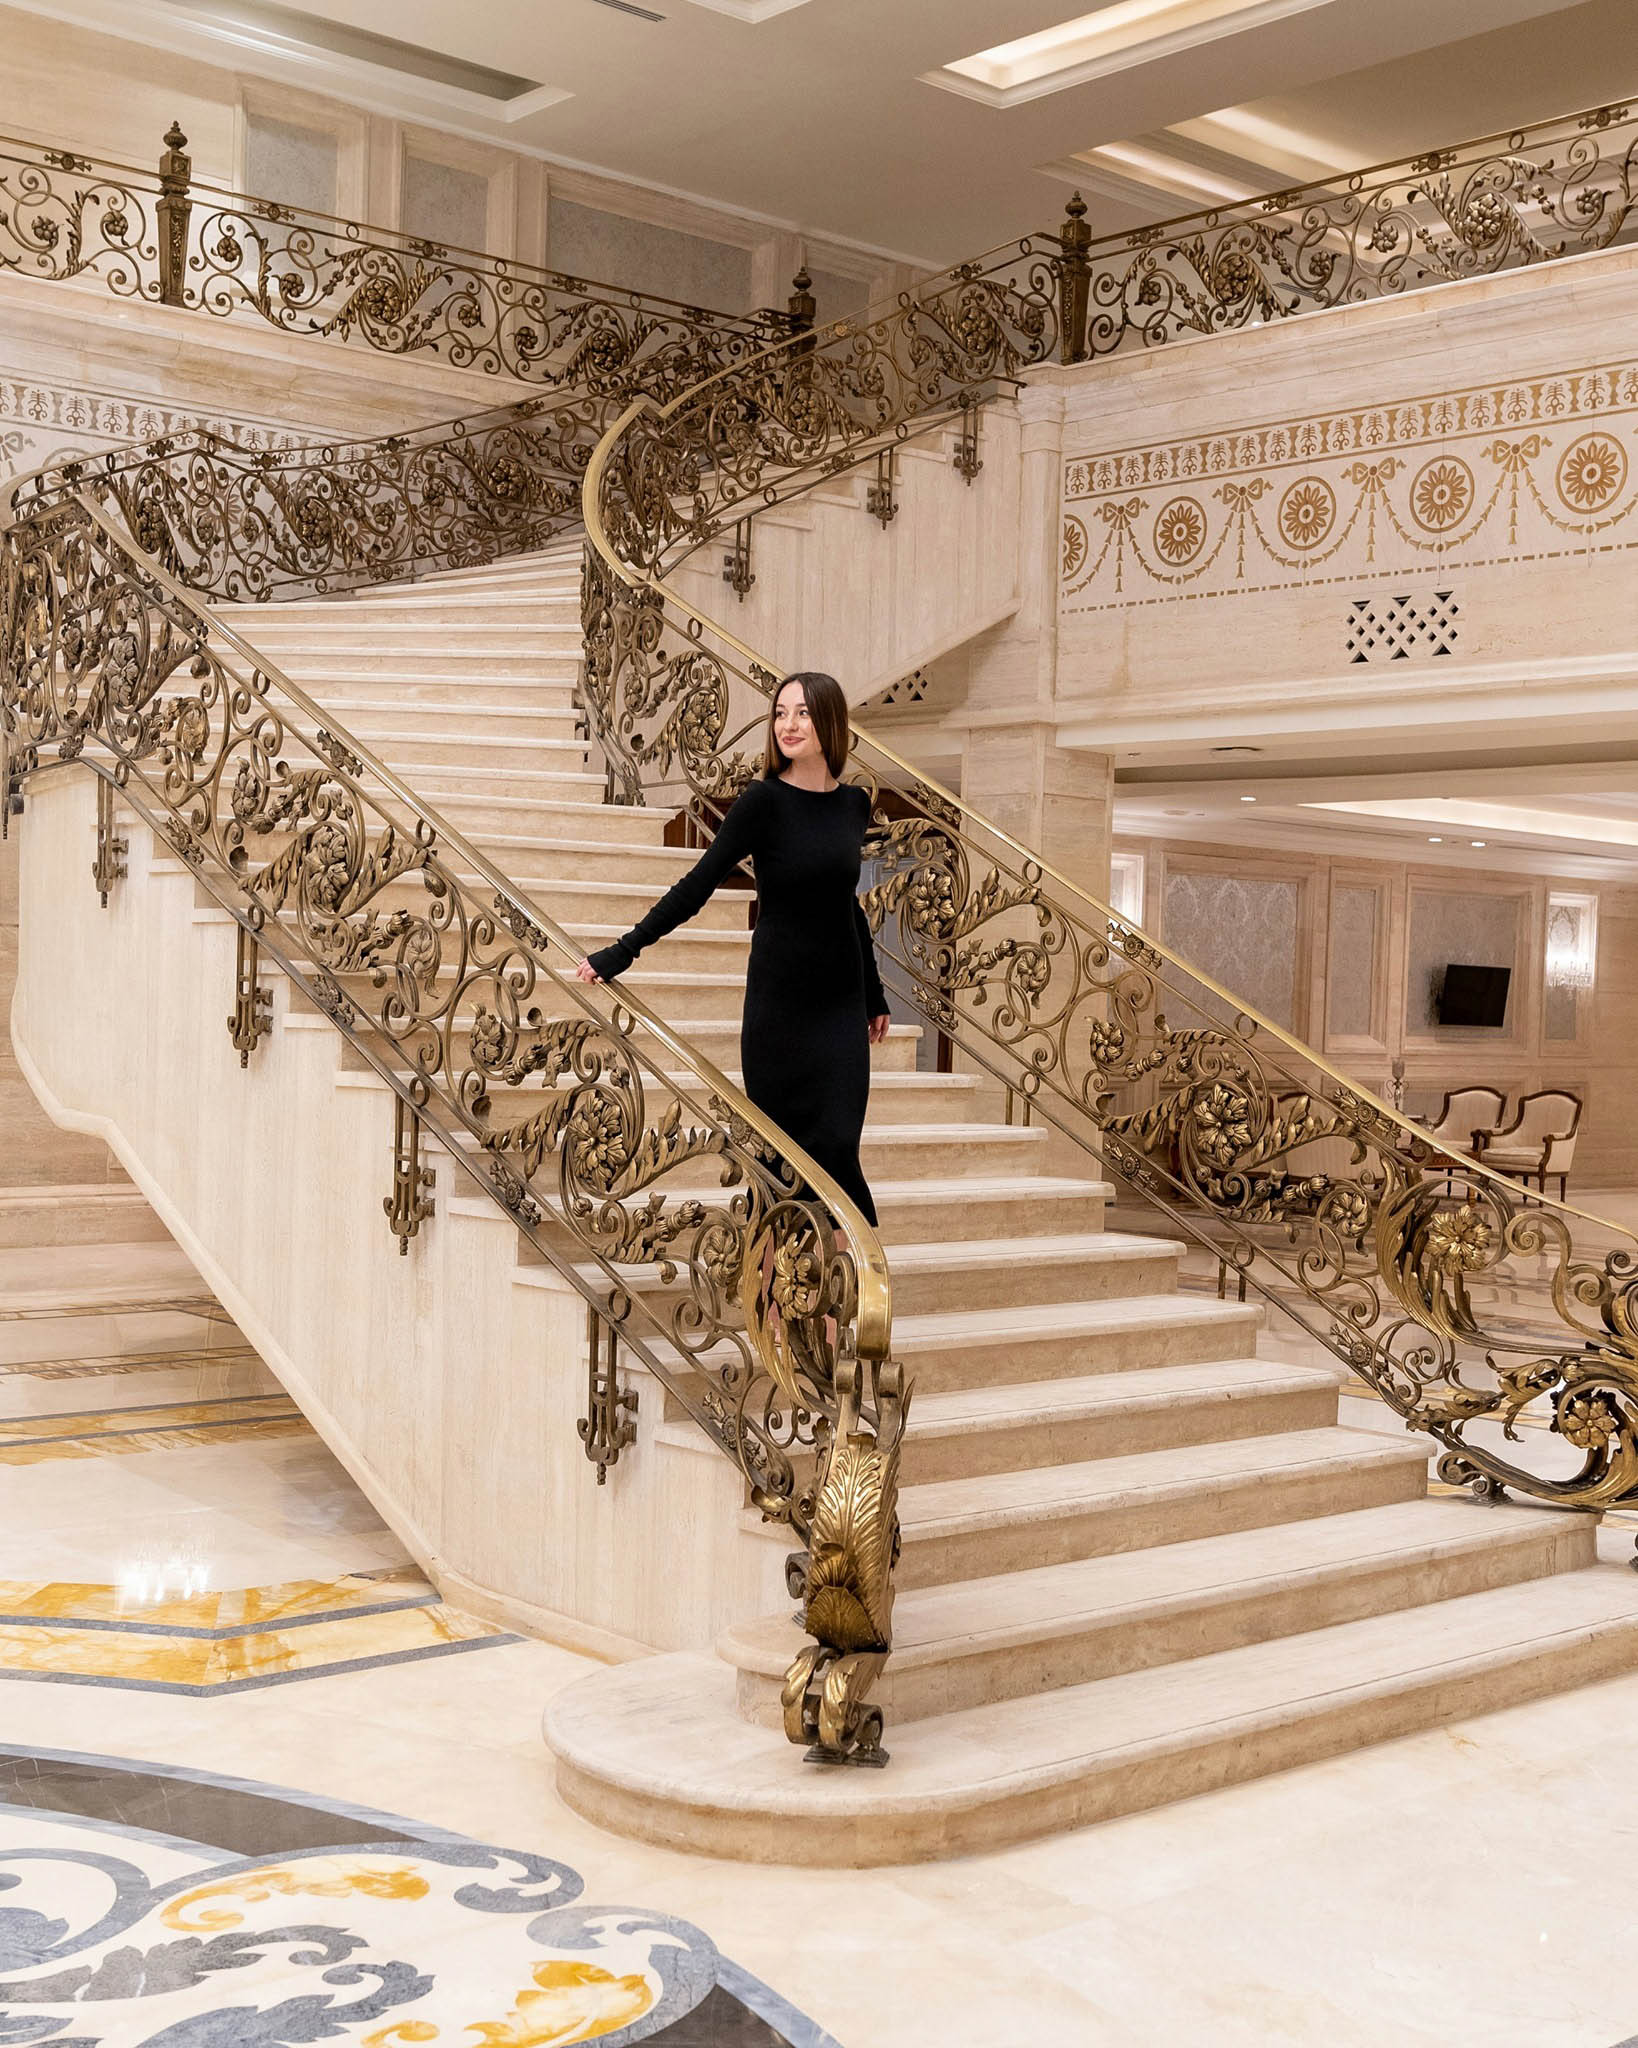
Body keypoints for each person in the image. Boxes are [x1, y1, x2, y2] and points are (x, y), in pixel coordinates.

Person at [576, 671, 891, 1227]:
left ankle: (838, 1308)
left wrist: (874, 994)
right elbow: (697, 887)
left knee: (839, 1148)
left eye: (803, 713)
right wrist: (622, 952)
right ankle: (779, 1303)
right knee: (781, 1164)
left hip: (839, 1008)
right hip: (780, 1008)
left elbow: (849, 905)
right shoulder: (762, 803)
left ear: (831, 724)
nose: (788, 725)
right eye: (780, 713)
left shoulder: (854, 806)